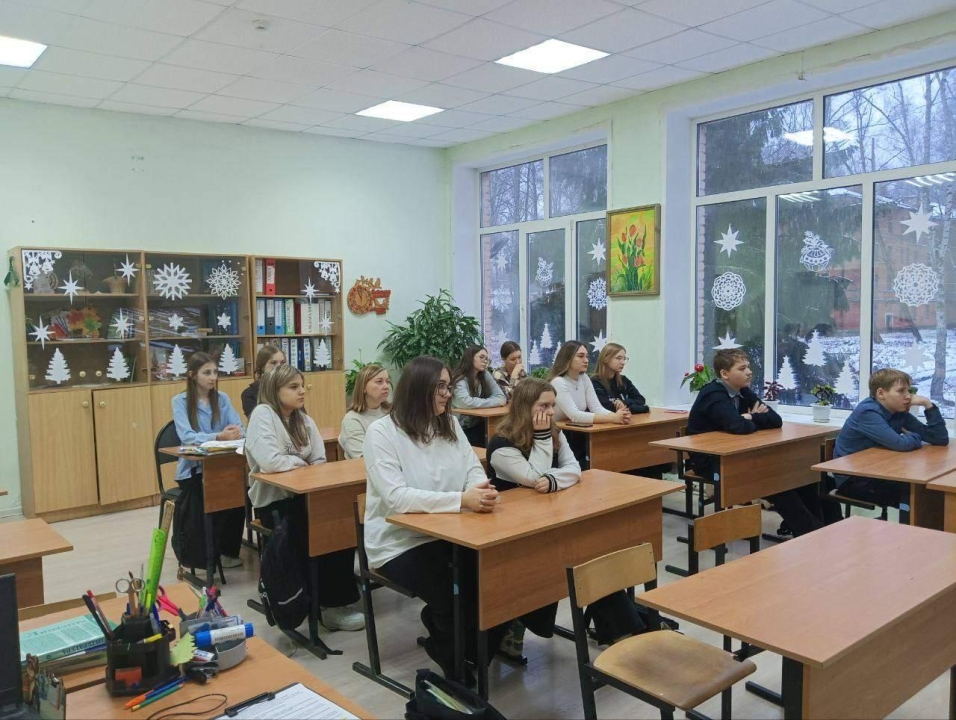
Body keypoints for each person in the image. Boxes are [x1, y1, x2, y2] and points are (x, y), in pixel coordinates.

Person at [363, 356, 503, 686]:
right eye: (440, 387)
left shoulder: (449, 424)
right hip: (399, 542)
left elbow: (473, 469)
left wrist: (478, 491)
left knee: (497, 578)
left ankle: (465, 649)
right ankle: (453, 659)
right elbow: (397, 498)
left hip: (453, 532)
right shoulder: (381, 432)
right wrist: (461, 500)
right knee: (449, 590)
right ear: (418, 388)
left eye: (448, 386)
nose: (447, 394)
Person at [487, 377, 654, 652]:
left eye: (552, 405)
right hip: (513, 532)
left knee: (591, 551)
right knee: (580, 556)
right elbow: (535, 477)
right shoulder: (500, 445)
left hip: (550, 518)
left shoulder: (554, 432)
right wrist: (542, 440)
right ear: (525, 407)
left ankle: (625, 627)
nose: (551, 412)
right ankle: (628, 626)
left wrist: (554, 481)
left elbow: (575, 469)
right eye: (544, 406)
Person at [245, 364, 364, 631]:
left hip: (307, 496)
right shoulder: (263, 414)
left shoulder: (303, 419)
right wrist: (300, 463)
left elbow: (319, 461)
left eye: (302, 386)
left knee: (338, 521)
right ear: (274, 390)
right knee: (321, 529)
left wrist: (294, 464)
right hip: (274, 501)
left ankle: (334, 601)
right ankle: (314, 601)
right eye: (293, 387)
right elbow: (270, 462)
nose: (302, 391)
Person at [687, 349, 837, 537]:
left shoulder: (743, 391)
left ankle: (826, 531)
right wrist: (750, 418)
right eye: (742, 368)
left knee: (804, 476)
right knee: (776, 482)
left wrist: (750, 416)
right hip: (710, 460)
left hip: (738, 454)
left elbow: (775, 420)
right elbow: (739, 426)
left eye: (748, 367)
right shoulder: (713, 394)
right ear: (724, 374)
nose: (749, 372)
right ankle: (810, 535)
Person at [833, 368, 949, 507]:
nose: (908, 396)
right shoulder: (867, 412)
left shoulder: (897, 411)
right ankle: (909, 519)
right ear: (881, 393)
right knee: (918, 495)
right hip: (854, 479)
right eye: (901, 391)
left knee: (929, 491)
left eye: (909, 391)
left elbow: (940, 439)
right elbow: (901, 444)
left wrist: (928, 405)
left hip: (877, 471)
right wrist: (915, 436)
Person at [172, 352, 246, 568]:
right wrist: (218, 436)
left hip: (224, 467)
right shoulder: (180, 401)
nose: (213, 377)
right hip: (193, 471)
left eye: (215, 372)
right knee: (211, 498)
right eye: (207, 373)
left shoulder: (222, 399)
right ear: (192, 375)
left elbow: (240, 427)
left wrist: (235, 432)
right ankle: (205, 555)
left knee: (239, 496)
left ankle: (227, 551)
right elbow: (187, 437)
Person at [548, 341, 629, 468]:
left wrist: (619, 416)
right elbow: (575, 415)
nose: (586, 360)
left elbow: (596, 408)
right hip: (557, 436)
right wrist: (613, 418)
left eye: (587, 356)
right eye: (580, 356)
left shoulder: (584, 378)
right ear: (568, 359)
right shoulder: (558, 382)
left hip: (576, 433)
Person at [451, 345, 506, 447]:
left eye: (486, 359)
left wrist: (494, 401)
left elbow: (501, 397)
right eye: (481, 357)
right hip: (459, 427)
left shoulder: (484, 374)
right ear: (470, 357)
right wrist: (493, 401)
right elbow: (465, 402)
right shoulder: (459, 378)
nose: (485, 361)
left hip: (476, 425)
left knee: (499, 436)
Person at [339, 364, 390, 459]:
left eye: (388, 381)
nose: (386, 386)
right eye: (379, 382)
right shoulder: (352, 419)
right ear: (363, 387)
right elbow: (362, 456)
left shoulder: (392, 413)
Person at [591, 343, 649, 414]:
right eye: (618, 358)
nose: (623, 362)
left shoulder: (623, 380)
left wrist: (623, 402)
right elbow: (606, 408)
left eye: (624, 359)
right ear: (606, 359)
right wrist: (641, 408)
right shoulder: (595, 382)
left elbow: (641, 400)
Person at [241, 345, 285, 420]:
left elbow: (301, 418)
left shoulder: (291, 389)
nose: (279, 367)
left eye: (283, 363)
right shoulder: (249, 394)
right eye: (273, 363)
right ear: (262, 366)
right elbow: (258, 421)